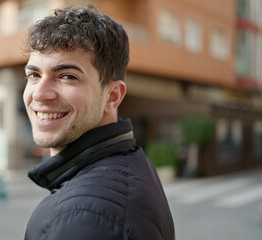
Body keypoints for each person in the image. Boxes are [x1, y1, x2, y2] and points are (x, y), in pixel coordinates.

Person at [22, 4, 174, 240]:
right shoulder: (130, 159)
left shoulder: (85, 216)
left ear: (112, 96)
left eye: (67, 77)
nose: (40, 94)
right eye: (34, 75)